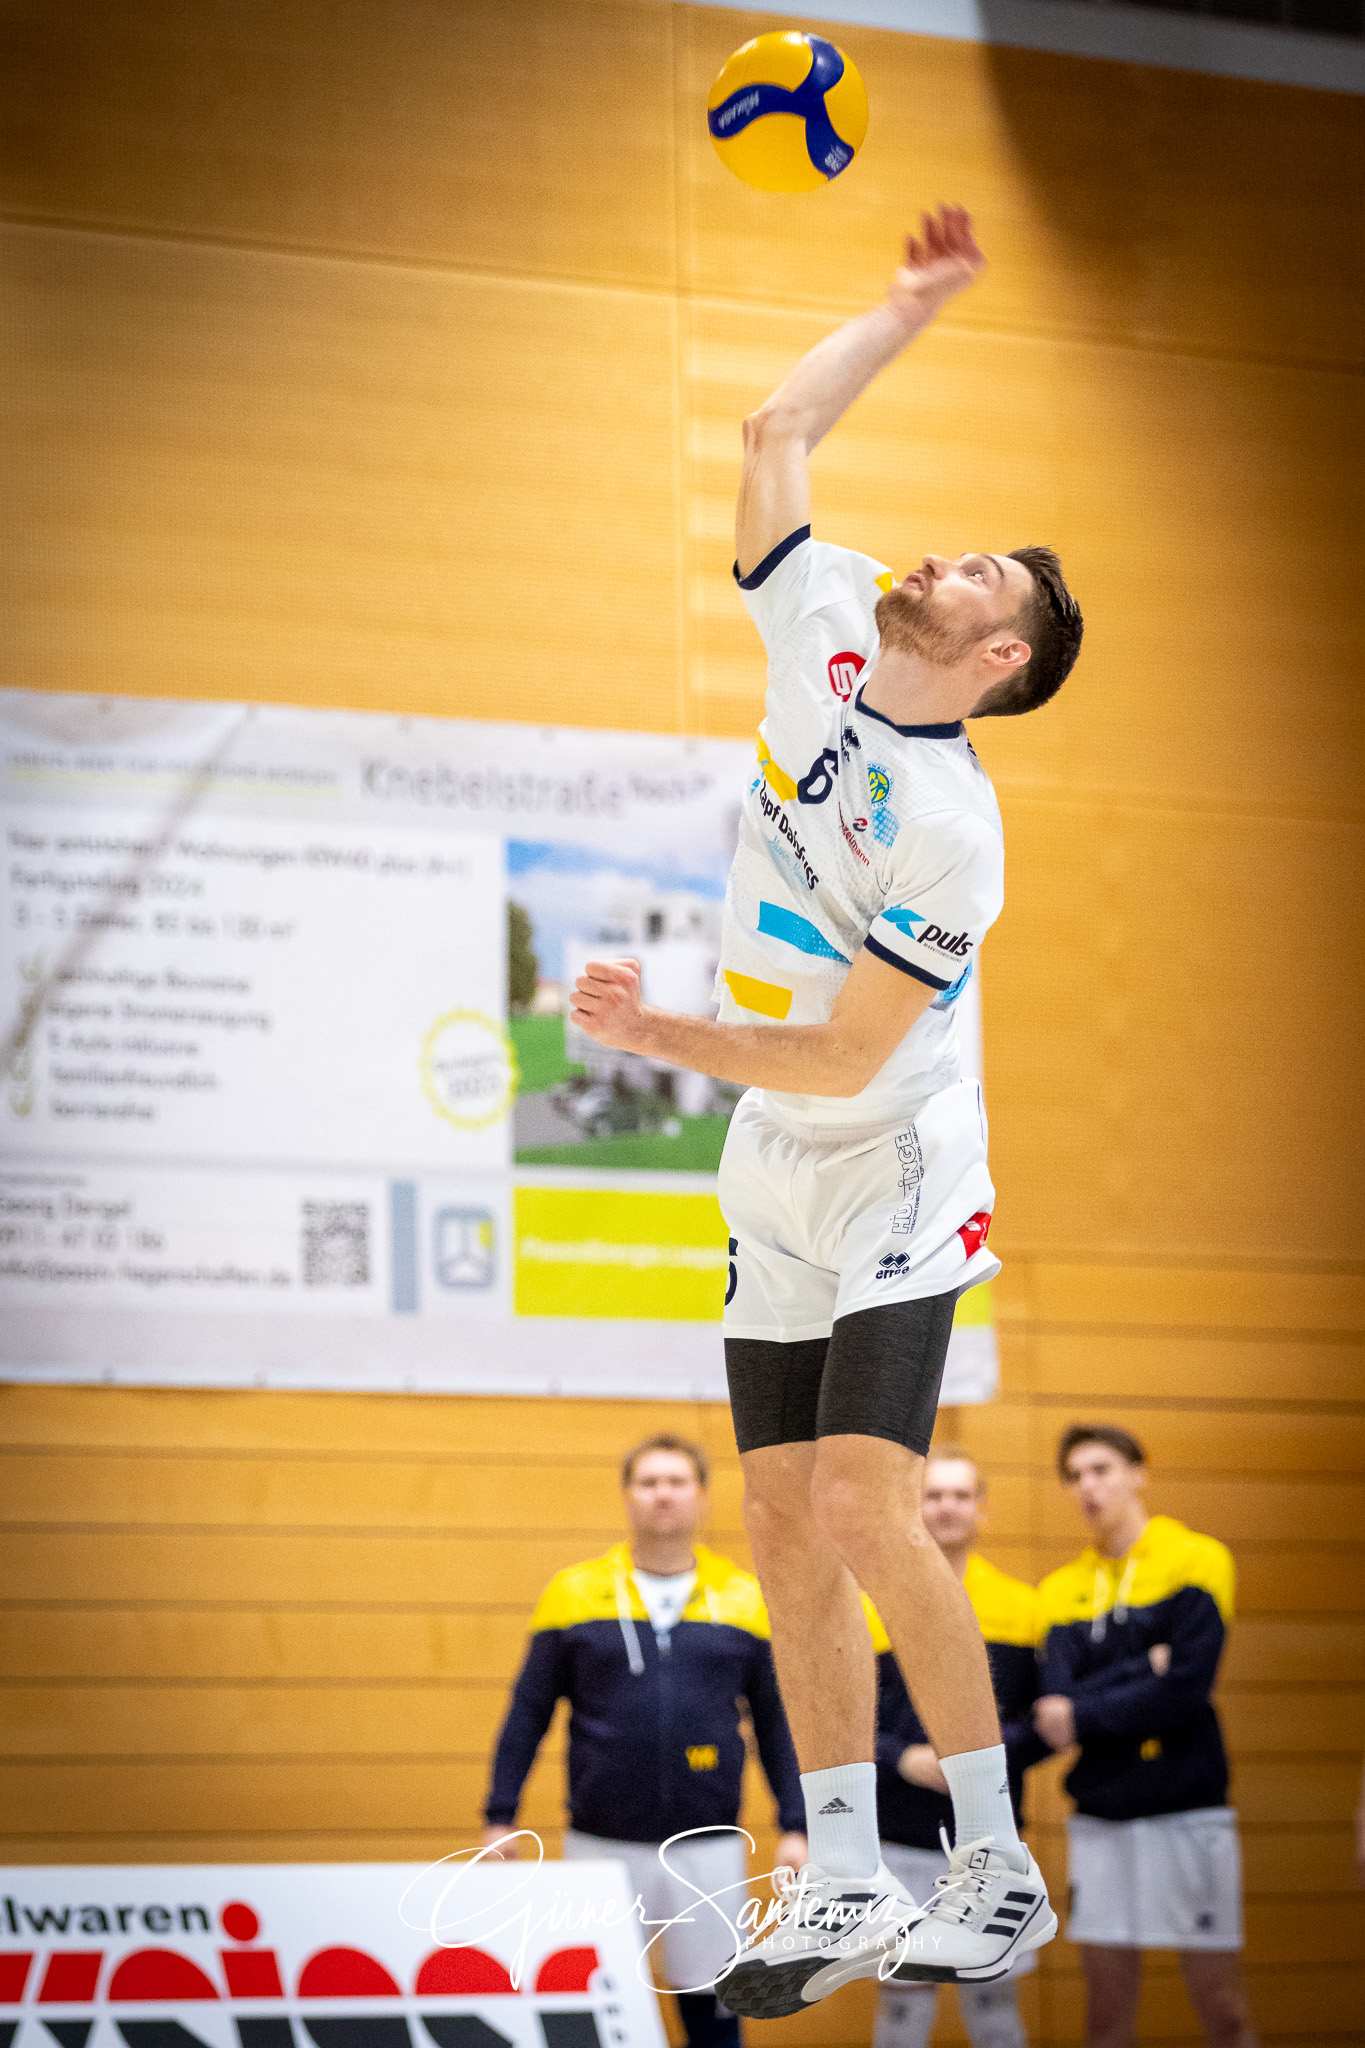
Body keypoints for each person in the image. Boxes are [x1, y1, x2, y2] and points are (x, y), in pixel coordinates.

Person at [570, 204, 1082, 2015]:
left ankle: (999, 1870)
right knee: (778, 1521)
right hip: (771, 1160)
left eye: (979, 579)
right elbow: (775, 439)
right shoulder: (830, 636)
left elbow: (848, 1057)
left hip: (893, 1153)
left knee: (868, 1502)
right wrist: (906, 307)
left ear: (999, 659)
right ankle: (848, 1871)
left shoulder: (956, 833)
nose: (937, 560)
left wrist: (661, 1029)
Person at [482, 1433, 807, 2048]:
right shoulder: (572, 1593)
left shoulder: (746, 1598)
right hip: (601, 1846)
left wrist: (796, 1824)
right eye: (649, 1482)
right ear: (627, 1497)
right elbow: (527, 1713)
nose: (664, 1495)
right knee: (597, 2010)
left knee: (712, 2011)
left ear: (703, 1498)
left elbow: (775, 1723)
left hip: (708, 1848)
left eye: (678, 1482)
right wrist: (500, 1816)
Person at [1034, 1425, 1258, 2048]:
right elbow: (1053, 1712)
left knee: (1223, 2009)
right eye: (1074, 1476)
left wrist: (1085, 1708)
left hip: (1189, 1812)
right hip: (1101, 1817)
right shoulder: (1057, 1592)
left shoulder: (1199, 1559)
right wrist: (1143, 1669)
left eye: (1101, 1469)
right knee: (1106, 2016)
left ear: (1139, 1473)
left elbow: (1186, 1688)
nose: (1087, 1487)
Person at [873, 1449, 1046, 2048]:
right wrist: (903, 1758)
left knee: (995, 2012)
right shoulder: (875, 1603)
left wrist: (977, 1765)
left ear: (982, 1509)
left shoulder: (1024, 1608)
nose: (947, 1507)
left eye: (960, 1495)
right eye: (933, 1495)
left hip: (992, 1839)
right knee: (902, 2014)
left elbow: (1045, 1724)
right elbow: (845, 1724)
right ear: (913, 1508)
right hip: (898, 1837)